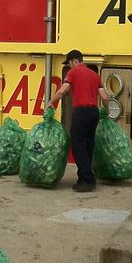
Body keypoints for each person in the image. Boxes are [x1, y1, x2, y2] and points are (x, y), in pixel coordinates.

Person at [47, 50, 109, 192]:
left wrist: (51, 102)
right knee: (88, 146)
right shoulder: (95, 75)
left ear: (74, 61)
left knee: (78, 147)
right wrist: (106, 111)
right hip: (94, 112)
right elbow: (105, 98)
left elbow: (62, 90)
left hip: (81, 112)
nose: (69, 67)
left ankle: (88, 180)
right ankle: (82, 178)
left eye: (69, 64)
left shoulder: (73, 73)